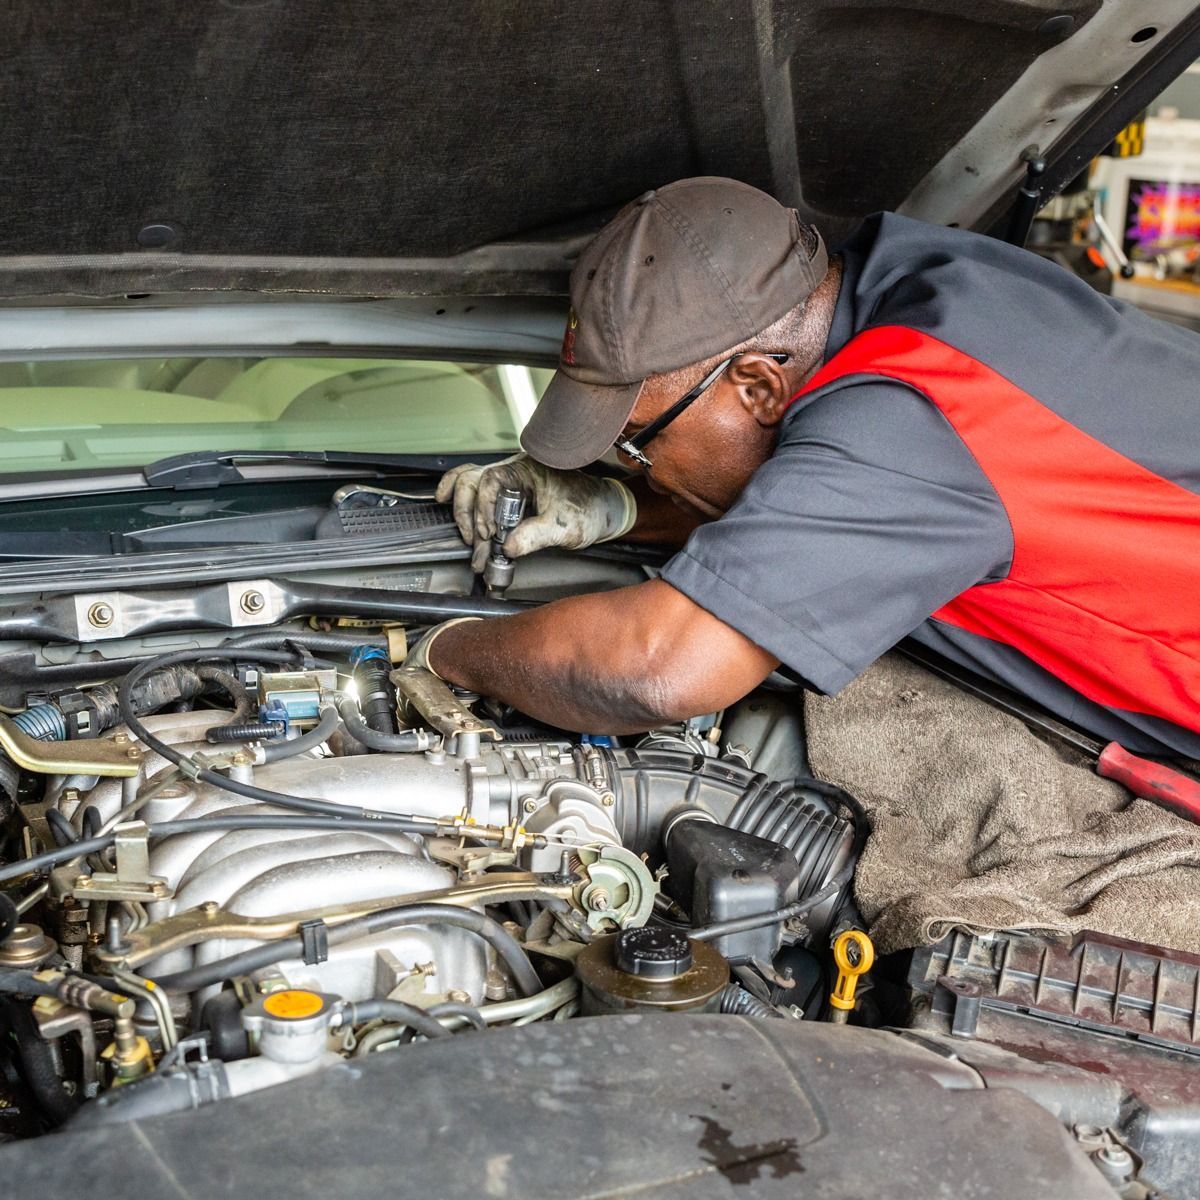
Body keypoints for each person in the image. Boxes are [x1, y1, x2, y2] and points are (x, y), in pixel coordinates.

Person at [417, 176, 1200, 757]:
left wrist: (442, 653)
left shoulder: (914, 411)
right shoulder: (916, 278)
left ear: (757, 384)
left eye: (638, 444)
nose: (641, 471)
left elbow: (657, 671)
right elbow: (820, 496)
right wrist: (616, 511)